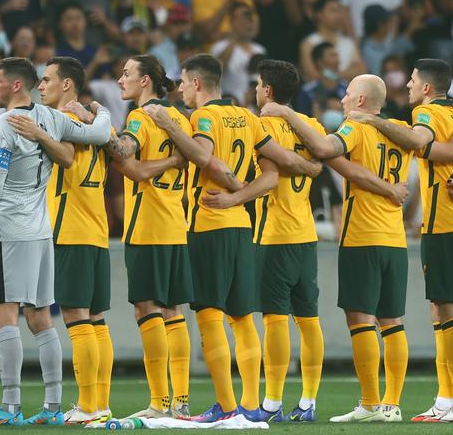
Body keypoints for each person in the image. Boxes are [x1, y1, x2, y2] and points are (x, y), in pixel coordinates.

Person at [142, 54, 321, 423]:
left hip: (209, 223)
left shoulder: (202, 117)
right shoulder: (248, 118)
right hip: (243, 226)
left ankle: (225, 408)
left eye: (183, 83)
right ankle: (252, 408)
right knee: (243, 319)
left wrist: (169, 125)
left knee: (209, 315)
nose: (179, 90)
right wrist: (240, 197)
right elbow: (273, 174)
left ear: (196, 83)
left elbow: (205, 157)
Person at [346, 59, 453, 423]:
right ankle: (446, 399)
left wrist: (373, 120)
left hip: (448, 224)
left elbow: (418, 140)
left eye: (411, 81)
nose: (407, 87)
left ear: (426, 88)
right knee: (441, 312)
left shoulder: (428, 115)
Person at [261, 74, 412, 423]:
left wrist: (287, 114)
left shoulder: (354, 129)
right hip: (395, 239)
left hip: (363, 235)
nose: (342, 101)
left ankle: (371, 403)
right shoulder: (398, 130)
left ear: (360, 101)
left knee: (361, 319)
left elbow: (325, 149)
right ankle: (392, 405)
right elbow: (346, 167)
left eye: (347, 95)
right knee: (392, 322)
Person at [0, 56, 111, 425]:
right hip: (43, 230)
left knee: (3, 314)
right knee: (41, 317)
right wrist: (100, 110)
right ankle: (53, 405)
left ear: (15, 85)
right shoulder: (53, 119)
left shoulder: (5, 123)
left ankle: (10, 406)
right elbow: (100, 134)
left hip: (8, 228)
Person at [101, 54, 194, 419]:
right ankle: (181, 400)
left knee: (147, 308)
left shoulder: (141, 117)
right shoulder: (180, 119)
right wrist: (174, 161)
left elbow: (127, 157)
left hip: (148, 225)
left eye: (126, 73)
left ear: (145, 82)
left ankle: (159, 402)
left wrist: (99, 125)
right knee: (174, 311)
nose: (120, 79)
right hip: (176, 224)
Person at [300, 0, 365, 83]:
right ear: (319, 14)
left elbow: (361, 71)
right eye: (333, 11)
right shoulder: (308, 44)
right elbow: (312, 76)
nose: (338, 15)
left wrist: (330, 75)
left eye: (339, 11)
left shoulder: (348, 42)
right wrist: (347, 73)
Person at [210, 3, 265, 105]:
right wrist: (234, 38)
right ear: (231, 21)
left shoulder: (259, 50)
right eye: (241, 18)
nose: (246, 21)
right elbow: (216, 72)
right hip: (229, 106)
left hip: (254, 109)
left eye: (248, 17)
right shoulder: (219, 47)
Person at [295, 42, 347, 119]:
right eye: (332, 56)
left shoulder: (347, 88)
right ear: (320, 62)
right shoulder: (307, 92)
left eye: (337, 56)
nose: (337, 61)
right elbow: (300, 122)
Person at [54, 2, 97, 68]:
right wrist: (95, 62)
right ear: (60, 24)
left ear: (86, 21)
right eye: (69, 19)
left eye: (78, 18)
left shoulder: (94, 51)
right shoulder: (58, 54)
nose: (75, 23)